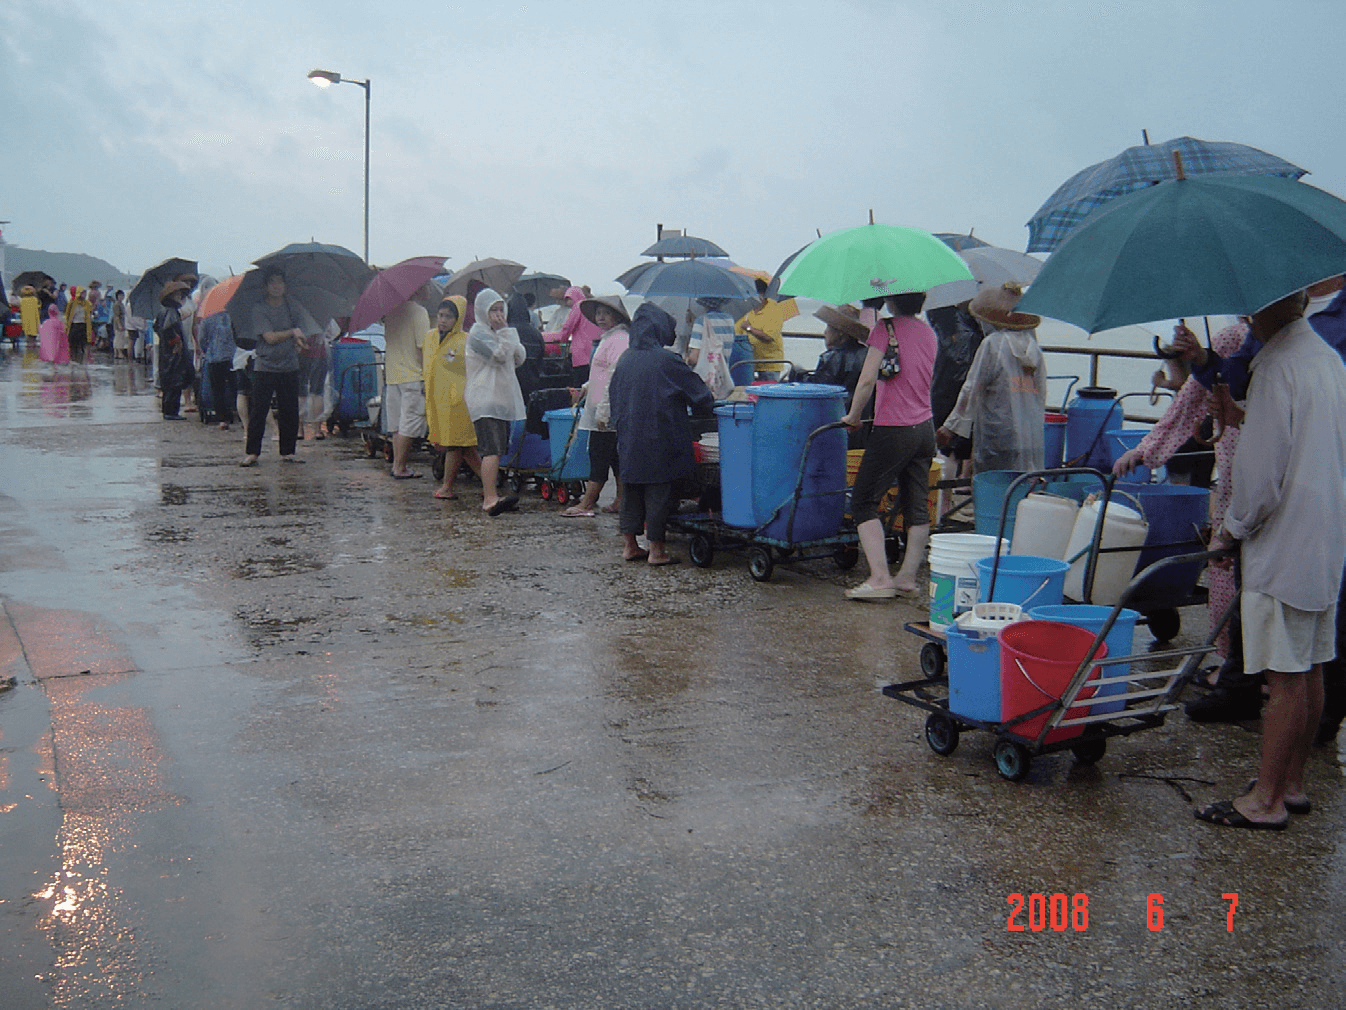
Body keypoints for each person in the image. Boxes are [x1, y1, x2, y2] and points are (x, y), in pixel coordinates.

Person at [1193, 290, 1346, 830]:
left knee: (1283, 678)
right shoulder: (1325, 358)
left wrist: (1229, 533)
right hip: (1325, 540)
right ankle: (1293, 783)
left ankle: (1265, 800)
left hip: (1283, 547)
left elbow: (1258, 485)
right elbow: (1307, 435)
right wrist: (1240, 416)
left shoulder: (1277, 366)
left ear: (1261, 309)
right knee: (1310, 666)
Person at [1114, 322, 1247, 699]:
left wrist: (1146, 450)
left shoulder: (1234, 338)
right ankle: (1263, 670)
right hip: (1287, 474)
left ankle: (1231, 667)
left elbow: (1188, 402)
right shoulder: (1309, 339)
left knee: (1224, 561)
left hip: (1239, 470)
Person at [840, 291, 938, 600]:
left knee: (863, 501)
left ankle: (880, 577)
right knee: (916, 504)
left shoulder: (885, 328)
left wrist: (854, 415)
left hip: (894, 428)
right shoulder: (928, 332)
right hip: (925, 427)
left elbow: (867, 379)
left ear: (891, 301)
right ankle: (906, 577)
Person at [609, 302, 715, 565]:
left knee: (632, 488)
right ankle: (656, 550)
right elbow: (701, 396)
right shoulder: (668, 361)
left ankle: (630, 546)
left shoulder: (625, 359)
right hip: (660, 437)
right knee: (658, 490)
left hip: (629, 436)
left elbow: (614, 397)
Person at [936, 283, 1047, 474]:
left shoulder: (993, 344)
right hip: (1030, 433)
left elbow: (972, 388)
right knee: (1022, 485)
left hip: (998, 431)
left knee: (993, 484)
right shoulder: (1034, 349)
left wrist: (950, 427)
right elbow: (1041, 393)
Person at [560, 296, 630, 518]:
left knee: (599, 456)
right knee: (614, 457)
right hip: (600, 405)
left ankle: (587, 503)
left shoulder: (619, 339)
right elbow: (601, 372)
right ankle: (621, 498)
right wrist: (586, 386)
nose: (600, 317)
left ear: (617, 316)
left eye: (606, 313)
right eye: (598, 313)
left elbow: (615, 376)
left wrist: (604, 410)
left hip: (606, 410)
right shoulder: (609, 338)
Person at [242, 266, 316, 466]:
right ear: (266, 286)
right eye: (272, 282)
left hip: (289, 365)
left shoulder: (292, 305)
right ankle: (252, 453)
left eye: (280, 282)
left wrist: (301, 341)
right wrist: (292, 332)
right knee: (258, 410)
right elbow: (270, 337)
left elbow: (302, 330)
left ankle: (287, 452)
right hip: (265, 366)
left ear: (285, 285)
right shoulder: (259, 308)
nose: (276, 286)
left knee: (289, 411)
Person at [464, 287, 525, 516]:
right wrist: (504, 333)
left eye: (501, 309)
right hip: (485, 400)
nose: (498, 314)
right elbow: (499, 356)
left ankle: (493, 494)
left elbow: (519, 357)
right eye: (493, 310)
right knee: (490, 449)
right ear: (482, 311)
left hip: (500, 400)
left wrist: (506, 332)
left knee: (498, 449)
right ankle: (489, 498)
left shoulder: (500, 332)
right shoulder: (478, 334)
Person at [423, 295, 482, 501]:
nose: (443, 320)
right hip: (438, 400)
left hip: (458, 402)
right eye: (441, 315)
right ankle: (489, 483)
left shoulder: (465, 341)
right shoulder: (430, 337)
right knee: (465, 448)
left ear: (458, 318)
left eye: (449, 316)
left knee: (455, 445)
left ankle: (447, 486)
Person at [926, 301, 986, 474]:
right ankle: (965, 479)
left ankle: (946, 496)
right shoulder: (978, 322)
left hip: (945, 384)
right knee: (968, 436)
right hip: (970, 382)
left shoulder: (942, 317)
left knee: (947, 446)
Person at [382, 292, 431, 479]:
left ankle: (397, 465)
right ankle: (400, 467)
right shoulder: (419, 312)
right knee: (409, 424)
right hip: (412, 376)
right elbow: (423, 346)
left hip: (393, 375)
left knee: (396, 425)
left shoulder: (390, 313)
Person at [809, 304, 872, 449]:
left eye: (828, 328)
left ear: (840, 333)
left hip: (835, 422)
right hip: (863, 424)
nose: (825, 332)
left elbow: (818, 392)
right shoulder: (867, 354)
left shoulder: (832, 358)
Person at [735, 278, 798, 379]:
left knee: (769, 388)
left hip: (769, 363)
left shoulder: (774, 310)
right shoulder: (747, 309)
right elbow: (737, 333)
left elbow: (768, 337)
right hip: (749, 361)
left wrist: (749, 328)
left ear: (762, 294)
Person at [543, 285, 603, 385]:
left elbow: (568, 327)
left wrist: (561, 339)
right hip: (595, 350)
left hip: (581, 353)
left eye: (569, 299)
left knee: (580, 383)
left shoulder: (578, 306)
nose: (567, 302)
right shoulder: (591, 306)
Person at [155, 281, 195, 419]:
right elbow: (167, 329)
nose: (180, 296)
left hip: (166, 352)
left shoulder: (164, 311)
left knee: (169, 381)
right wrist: (176, 342)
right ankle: (171, 411)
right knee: (174, 381)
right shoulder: (171, 311)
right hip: (173, 354)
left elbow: (158, 328)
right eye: (178, 294)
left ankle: (169, 410)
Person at [198, 301, 239, 430]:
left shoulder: (207, 318)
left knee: (217, 389)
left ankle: (223, 419)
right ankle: (241, 415)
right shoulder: (233, 316)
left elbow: (202, 339)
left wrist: (206, 350)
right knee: (236, 387)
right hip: (233, 356)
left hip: (213, 357)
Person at [507, 293, 545, 404]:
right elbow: (541, 357)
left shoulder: (506, 332)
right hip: (532, 382)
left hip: (511, 383)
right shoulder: (536, 333)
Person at [64, 285, 94, 363]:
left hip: (84, 325)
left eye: (85, 293)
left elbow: (89, 314)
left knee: (83, 345)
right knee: (73, 345)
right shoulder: (72, 303)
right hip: (74, 325)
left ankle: (80, 361)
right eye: (82, 293)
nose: (84, 295)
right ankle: (73, 360)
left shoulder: (87, 303)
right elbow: (67, 314)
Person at [111, 289, 130, 360]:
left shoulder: (121, 304)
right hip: (119, 323)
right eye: (120, 295)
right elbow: (117, 316)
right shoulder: (117, 304)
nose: (121, 297)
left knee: (118, 338)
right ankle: (119, 353)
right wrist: (120, 324)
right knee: (119, 338)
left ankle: (116, 352)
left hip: (121, 322)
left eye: (122, 295)